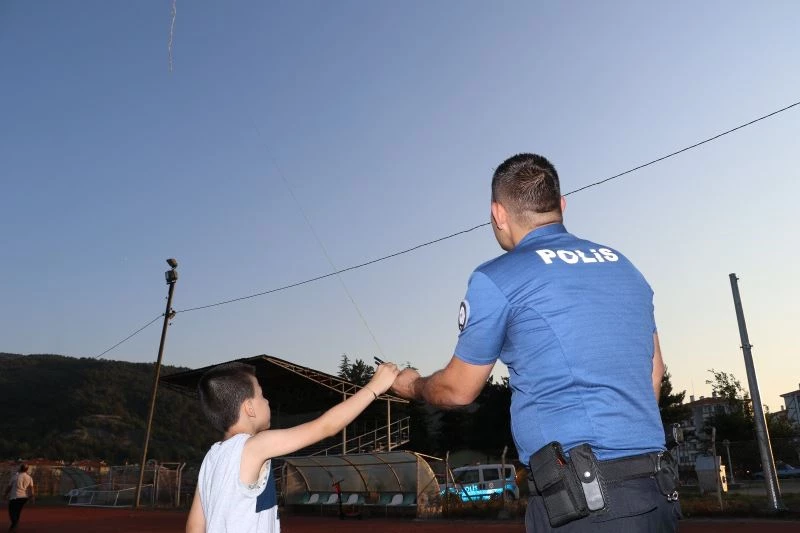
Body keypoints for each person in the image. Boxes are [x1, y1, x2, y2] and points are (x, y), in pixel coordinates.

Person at [391, 153, 680, 532]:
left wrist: (412, 384)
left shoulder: (496, 278)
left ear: (497, 213)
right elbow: (653, 371)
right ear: (561, 206)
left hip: (585, 505)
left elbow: (457, 391)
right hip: (655, 493)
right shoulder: (625, 267)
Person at [185, 360, 399, 533]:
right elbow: (326, 427)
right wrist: (375, 387)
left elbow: (195, 527)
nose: (267, 401)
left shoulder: (211, 458)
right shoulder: (253, 446)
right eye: (261, 395)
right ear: (249, 408)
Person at [4, 464, 34, 531]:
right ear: (27, 469)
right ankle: (15, 524)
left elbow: (9, 487)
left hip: (15, 497)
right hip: (24, 497)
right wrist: (32, 497)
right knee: (17, 511)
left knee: (11, 511)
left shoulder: (15, 477)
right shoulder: (29, 477)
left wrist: (5, 494)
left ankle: (14, 523)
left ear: (20, 469)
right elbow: (31, 488)